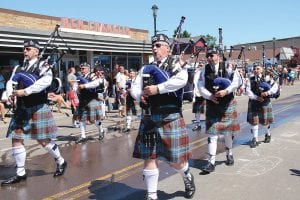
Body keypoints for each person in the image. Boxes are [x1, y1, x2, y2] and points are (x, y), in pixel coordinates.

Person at [130, 34, 195, 200]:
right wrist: (140, 96)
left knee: (175, 162)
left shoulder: (175, 64)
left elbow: (181, 80)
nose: (154, 48)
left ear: (167, 48)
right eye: (153, 45)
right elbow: (134, 87)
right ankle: (152, 195)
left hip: (170, 117)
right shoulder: (146, 68)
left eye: (158, 45)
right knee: (149, 157)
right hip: (149, 118)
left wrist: (157, 89)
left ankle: (186, 174)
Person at [1, 39, 67, 186]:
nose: (25, 51)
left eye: (28, 49)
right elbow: (10, 82)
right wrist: (11, 94)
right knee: (16, 139)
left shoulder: (44, 66)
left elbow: (45, 82)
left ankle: (61, 161)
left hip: (38, 106)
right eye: (24, 48)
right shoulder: (18, 67)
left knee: (43, 141)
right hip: (22, 108)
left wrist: (25, 91)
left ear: (36, 51)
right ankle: (20, 173)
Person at [198, 47, 240, 173]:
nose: (210, 58)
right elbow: (200, 85)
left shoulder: (228, 66)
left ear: (218, 56)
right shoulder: (204, 69)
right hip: (212, 103)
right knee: (212, 133)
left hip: (227, 103)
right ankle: (211, 162)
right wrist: (209, 96)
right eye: (208, 56)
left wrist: (226, 91)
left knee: (228, 132)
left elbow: (236, 82)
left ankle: (229, 153)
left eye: (212, 55)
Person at [246, 64, 278, 148]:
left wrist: (267, 93)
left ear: (262, 70)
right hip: (254, 102)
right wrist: (256, 97)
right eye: (254, 68)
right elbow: (248, 91)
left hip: (265, 102)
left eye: (258, 68)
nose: (255, 70)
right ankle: (255, 139)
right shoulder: (250, 79)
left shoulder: (267, 78)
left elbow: (275, 87)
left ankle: (268, 133)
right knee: (254, 121)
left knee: (264, 122)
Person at [74, 63, 105, 143]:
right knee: (82, 119)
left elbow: (96, 84)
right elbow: (75, 87)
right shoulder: (79, 77)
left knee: (93, 120)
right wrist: (76, 88)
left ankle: (101, 130)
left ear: (88, 68)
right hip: (83, 100)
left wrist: (85, 86)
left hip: (92, 99)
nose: (82, 70)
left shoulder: (93, 76)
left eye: (83, 68)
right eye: (81, 68)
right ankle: (83, 136)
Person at [191, 64, 204, 132]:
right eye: (199, 65)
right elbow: (194, 84)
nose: (200, 66)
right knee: (197, 111)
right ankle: (198, 124)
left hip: (204, 94)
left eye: (201, 65)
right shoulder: (196, 73)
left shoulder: (204, 72)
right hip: (197, 94)